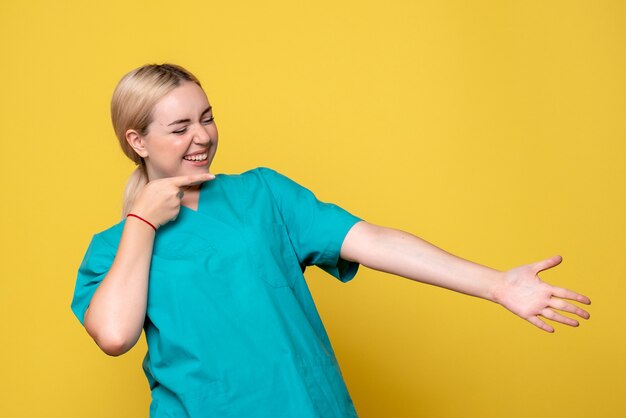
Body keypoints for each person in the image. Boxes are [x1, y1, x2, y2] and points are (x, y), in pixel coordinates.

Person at [71, 63, 591, 418]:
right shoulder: (111, 248)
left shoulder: (262, 195)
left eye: (207, 118)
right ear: (137, 141)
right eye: (180, 126)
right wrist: (141, 222)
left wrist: (497, 285)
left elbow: (374, 241)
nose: (202, 137)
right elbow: (114, 335)